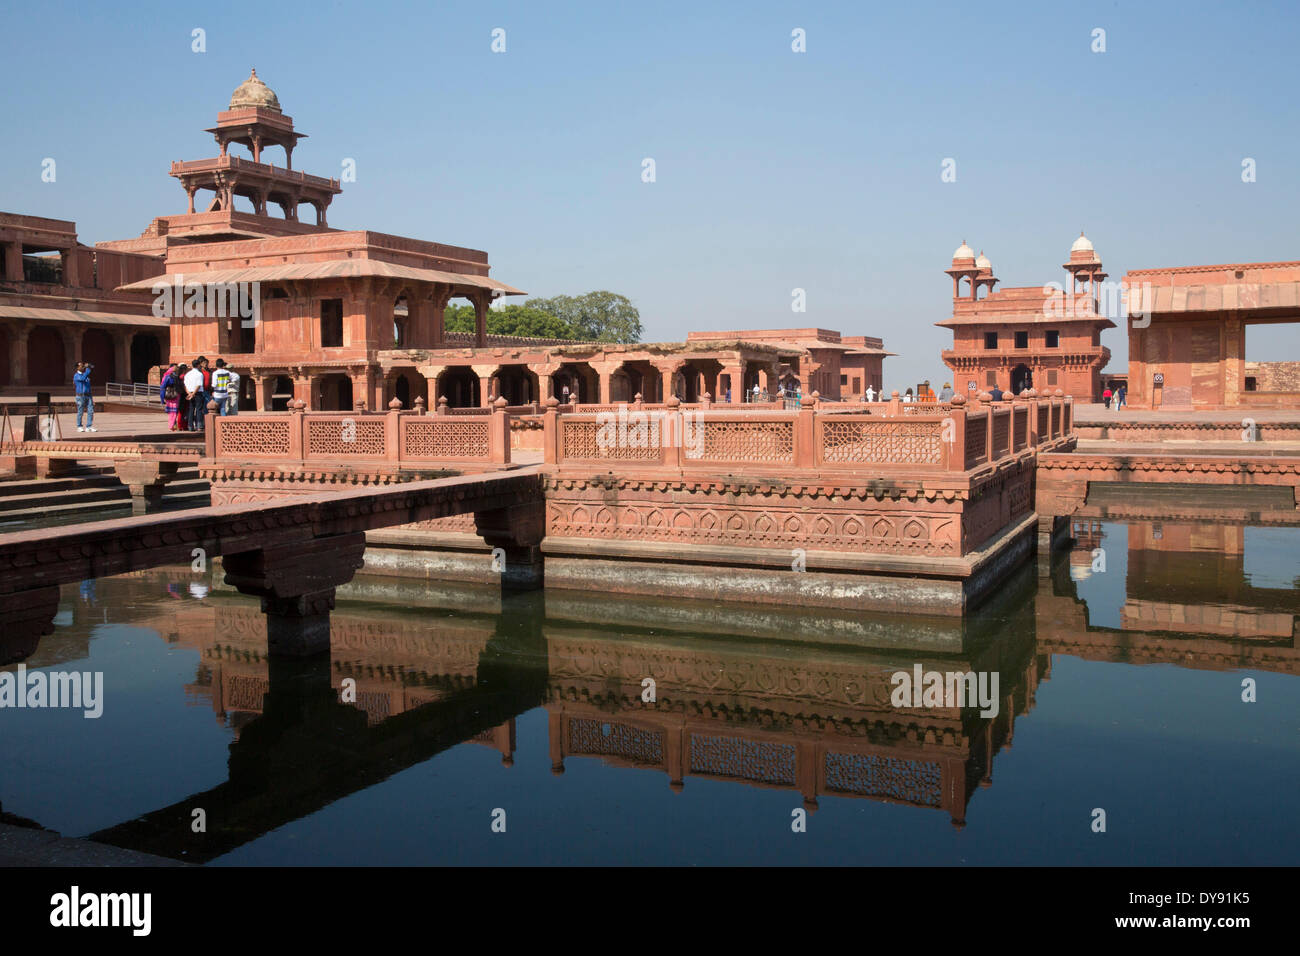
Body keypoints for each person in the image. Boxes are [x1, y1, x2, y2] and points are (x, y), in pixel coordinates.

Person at [73, 362, 96, 432]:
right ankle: (79, 426)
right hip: (80, 396)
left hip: (88, 396)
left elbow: (88, 386)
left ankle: (89, 426)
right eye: (81, 365)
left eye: (83, 365)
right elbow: (82, 379)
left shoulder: (85, 375)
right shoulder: (76, 375)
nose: (82, 366)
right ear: (77, 367)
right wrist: (87, 370)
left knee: (91, 411)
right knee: (80, 411)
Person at [184, 361, 206, 431]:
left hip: (189, 392)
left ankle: (190, 426)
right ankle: (199, 425)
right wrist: (193, 394)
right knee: (199, 409)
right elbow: (198, 385)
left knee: (191, 409)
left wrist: (189, 394)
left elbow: (185, 385)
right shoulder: (199, 374)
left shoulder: (187, 374)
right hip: (197, 393)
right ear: (198, 365)